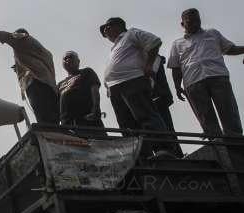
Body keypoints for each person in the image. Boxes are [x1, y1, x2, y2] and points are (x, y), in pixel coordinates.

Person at [100, 17, 170, 156]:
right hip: (116, 88)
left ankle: (163, 149)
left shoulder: (131, 34)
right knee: (127, 125)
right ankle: (141, 156)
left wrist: (149, 65)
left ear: (118, 25)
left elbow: (154, 41)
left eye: (107, 27)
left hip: (132, 80)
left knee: (145, 116)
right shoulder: (115, 47)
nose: (105, 31)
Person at [168, 8, 244, 137]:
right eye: (190, 21)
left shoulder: (213, 33)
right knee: (207, 120)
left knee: (229, 114)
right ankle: (217, 146)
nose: (195, 24)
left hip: (218, 77)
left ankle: (237, 148)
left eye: (197, 20)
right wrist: (177, 86)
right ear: (182, 24)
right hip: (193, 83)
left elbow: (230, 49)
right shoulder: (177, 44)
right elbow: (176, 67)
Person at [57, 51, 107, 137]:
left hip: (88, 120)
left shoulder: (87, 72)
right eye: (65, 58)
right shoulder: (60, 84)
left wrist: (96, 108)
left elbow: (94, 89)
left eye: (71, 57)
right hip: (68, 126)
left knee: (101, 145)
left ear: (78, 61)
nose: (68, 59)